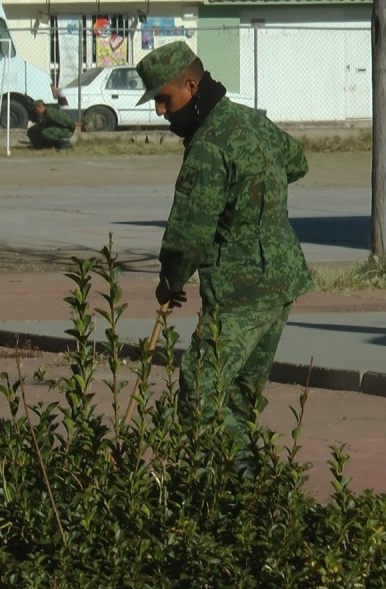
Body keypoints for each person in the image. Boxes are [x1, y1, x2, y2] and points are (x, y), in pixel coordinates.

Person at [135, 42, 312, 449]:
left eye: (164, 98)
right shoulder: (252, 122)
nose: (161, 111)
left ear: (191, 86)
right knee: (236, 401)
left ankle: (241, 481)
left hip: (240, 292)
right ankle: (248, 501)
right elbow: (297, 162)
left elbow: (189, 234)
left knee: (200, 400)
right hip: (281, 281)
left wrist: (171, 280)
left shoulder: (208, 147)